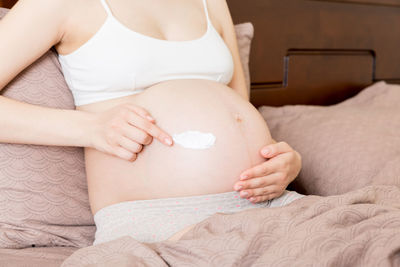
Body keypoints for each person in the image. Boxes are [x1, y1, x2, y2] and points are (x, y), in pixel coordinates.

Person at [0, 0, 304, 244]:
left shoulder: (211, 2)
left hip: (266, 202)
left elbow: (239, 106)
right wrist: (90, 128)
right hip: (161, 223)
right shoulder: (57, 4)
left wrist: (283, 163)